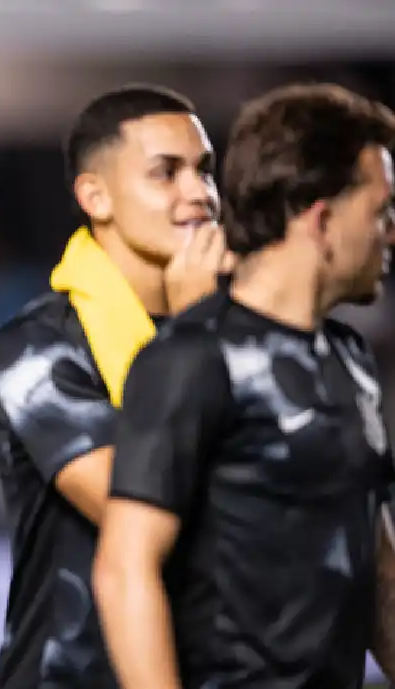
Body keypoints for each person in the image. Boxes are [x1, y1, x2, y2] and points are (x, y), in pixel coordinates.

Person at [93, 82, 395, 689]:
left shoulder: (350, 359)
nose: (390, 232)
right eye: (381, 212)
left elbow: (380, 567)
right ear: (322, 218)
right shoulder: (192, 356)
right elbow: (126, 568)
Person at [0, 84, 232, 689]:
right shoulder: (39, 348)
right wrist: (199, 336)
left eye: (204, 170)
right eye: (165, 174)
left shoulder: (249, 332)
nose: (198, 192)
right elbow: (143, 508)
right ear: (94, 195)